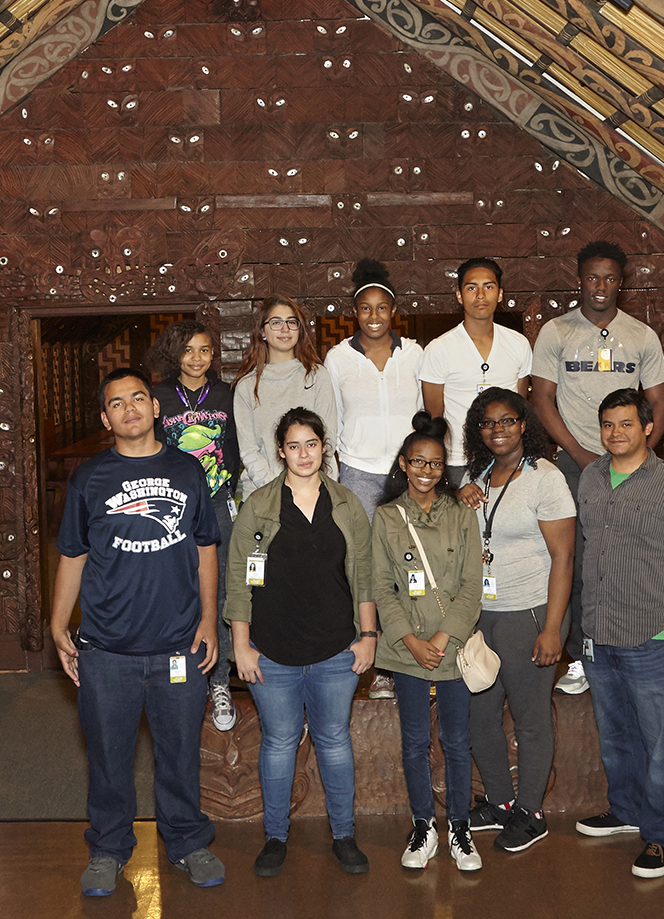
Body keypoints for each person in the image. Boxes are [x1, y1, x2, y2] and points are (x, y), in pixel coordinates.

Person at [50, 368, 226, 896]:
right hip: (107, 650)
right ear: (106, 419)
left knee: (179, 755)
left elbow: (206, 549)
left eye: (138, 398)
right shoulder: (89, 479)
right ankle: (108, 849)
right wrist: (58, 624)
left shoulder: (189, 471)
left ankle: (188, 842)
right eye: (116, 403)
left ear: (154, 408)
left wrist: (208, 620)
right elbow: (73, 555)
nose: (129, 408)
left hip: (178, 646)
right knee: (108, 757)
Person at [227, 407, 377, 879]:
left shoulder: (348, 504)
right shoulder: (259, 505)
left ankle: (344, 835)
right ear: (280, 451)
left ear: (324, 447)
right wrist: (242, 646)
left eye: (311, 444)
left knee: (334, 742)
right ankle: (275, 837)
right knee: (279, 743)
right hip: (273, 650)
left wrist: (368, 636)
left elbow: (365, 578)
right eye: (293, 446)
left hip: (336, 647)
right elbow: (238, 580)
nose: (304, 453)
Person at [572, 388, 664, 880]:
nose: (616, 433)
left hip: (650, 631)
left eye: (627, 424)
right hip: (598, 629)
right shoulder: (590, 476)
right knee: (616, 736)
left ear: (649, 427)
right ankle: (626, 810)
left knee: (660, 742)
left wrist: (654, 581)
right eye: (608, 424)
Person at [529, 240, 664, 696]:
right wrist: (581, 455)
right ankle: (580, 654)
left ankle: (626, 650)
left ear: (621, 283)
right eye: (593, 277)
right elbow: (542, 399)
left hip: (628, 468)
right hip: (574, 465)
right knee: (575, 561)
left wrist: (638, 458)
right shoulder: (556, 331)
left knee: (625, 559)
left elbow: (659, 402)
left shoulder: (641, 336)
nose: (601, 286)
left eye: (610, 278)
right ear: (579, 279)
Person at [458, 386, 575, 855]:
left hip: (530, 615)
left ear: (524, 424)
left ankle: (531, 811)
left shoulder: (545, 478)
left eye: (507, 421)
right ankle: (502, 803)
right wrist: (460, 492)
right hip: (483, 617)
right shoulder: (479, 476)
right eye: (488, 423)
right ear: (478, 432)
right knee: (478, 718)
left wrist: (552, 628)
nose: (498, 430)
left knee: (529, 720)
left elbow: (564, 557)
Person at [369, 412, 483, 873]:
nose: (425, 471)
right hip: (406, 649)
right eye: (417, 461)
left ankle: (459, 826)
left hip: (453, 646)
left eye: (435, 464)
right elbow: (381, 587)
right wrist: (411, 641)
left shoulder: (461, 514)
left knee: (456, 740)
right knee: (415, 742)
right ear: (403, 463)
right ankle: (423, 826)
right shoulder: (386, 517)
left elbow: (472, 588)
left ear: (444, 468)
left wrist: (440, 637)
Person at [149, 318, 245, 731]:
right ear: (176, 354)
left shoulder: (225, 393)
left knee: (221, 589)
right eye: (188, 350)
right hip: (173, 506)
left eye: (204, 350)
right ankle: (180, 676)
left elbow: (235, 449)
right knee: (174, 587)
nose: (196, 358)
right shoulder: (156, 397)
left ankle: (220, 680)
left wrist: (227, 491)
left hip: (218, 504)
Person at [325, 259, 425, 520]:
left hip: (407, 471)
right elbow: (331, 417)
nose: (374, 316)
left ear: (393, 310)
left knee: (408, 547)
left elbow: (425, 411)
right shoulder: (337, 358)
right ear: (355, 312)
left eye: (381, 308)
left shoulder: (414, 354)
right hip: (357, 472)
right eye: (365, 308)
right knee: (364, 552)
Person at [419, 258, 533, 481]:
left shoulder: (518, 344)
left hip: (507, 458)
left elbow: (520, 407)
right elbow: (435, 417)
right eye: (472, 287)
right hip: (458, 461)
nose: (480, 295)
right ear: (459, 296)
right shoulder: (439, 348)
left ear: (500, 294)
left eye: (488, 287)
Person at [234, 296, 339, 494]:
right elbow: (249, 450)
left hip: (317, 489)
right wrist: (278, 489)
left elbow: (328, 438)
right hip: (265, 491)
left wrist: (303, 486)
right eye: (276, 322)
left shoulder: (317, 376)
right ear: (262, 332)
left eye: (292, 322)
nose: (285, 329)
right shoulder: (247, 386)